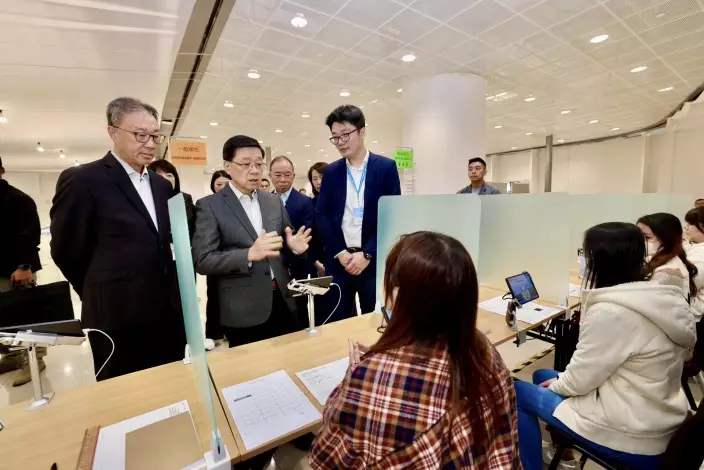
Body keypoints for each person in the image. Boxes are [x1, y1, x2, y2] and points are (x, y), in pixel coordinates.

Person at [309, 231, 521, 469]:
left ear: (397, 294)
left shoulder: (375, 381)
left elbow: (325, 458)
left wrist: (358, 375)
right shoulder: (482, 349)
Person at [515, 222, 696, 470]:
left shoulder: (611, 312)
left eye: (586, 254)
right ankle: (563, 455)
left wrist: (559, 384)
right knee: (541, 375)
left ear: (601, 260)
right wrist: (558, 382)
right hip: (658, 415)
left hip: (632, 435)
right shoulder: (661, 296)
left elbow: (580, 379)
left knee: (517, 392)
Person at [50, 97, 186, 381]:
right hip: (115, 316)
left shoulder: (161, 186)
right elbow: (66, 250)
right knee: (125, 395)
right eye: (140, 135)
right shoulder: (83, 180)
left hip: (166, 313)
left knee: (170, 387)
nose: (150, 144)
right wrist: (97, 290)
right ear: (113, 132)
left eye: (155, 136)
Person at [192, 135, 312, 348]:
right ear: (227, 166)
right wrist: (248, 254)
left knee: (291, 359)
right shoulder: (210, 206)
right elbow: (203, 260)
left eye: (259, 164)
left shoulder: (273, 201)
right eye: (246, 164)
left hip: (283, 300)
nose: (255, 170)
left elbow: (286, 241)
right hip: (243, 308)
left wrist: (294, 248)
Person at [315, 105, 401, 322]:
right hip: (339, 261)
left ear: (362, 132)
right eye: (335, 137)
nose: (340, 142)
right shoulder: (332, 172)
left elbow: (392, 216)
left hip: (372, 261)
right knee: (336, 320)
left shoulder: (386, 168)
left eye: (345, 134)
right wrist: (340, 253)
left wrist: (367, 254)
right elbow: (322, 215)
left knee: (376, 320)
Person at [0, 156, 46, 387]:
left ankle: (35, 359)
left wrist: (24, 266)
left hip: (15, 271)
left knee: (26, 317)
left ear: (1, 170)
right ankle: (11, 356)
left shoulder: (18, 199)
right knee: (3, 318)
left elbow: (30, 235)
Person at [270, 155, 315, 327]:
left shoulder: (305, 202)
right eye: (278, 175)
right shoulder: (264, 201)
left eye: (287, 175)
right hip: (273, 265)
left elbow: (308, 231)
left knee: (300, 311)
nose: (282, 179)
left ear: (294, 176)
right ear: (270, 175)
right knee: (277, 312)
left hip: (298, 264)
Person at [637, 212, 697, 298]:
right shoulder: (653, 257)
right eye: (638, 236)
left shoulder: (668, 273)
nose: (639, 241)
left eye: (647, 237)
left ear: (667, 239)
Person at [204, 170, 232, 346]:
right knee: (214, 296)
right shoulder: (207, 204)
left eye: (226, 184)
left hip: (233, 258)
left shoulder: (236, 205)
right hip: (214, 258)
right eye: (218, 184)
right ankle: (213, 332)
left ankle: (229, 329)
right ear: (213, 186)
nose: (222, 187)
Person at [148, 159, 196, 238]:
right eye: (159, 175)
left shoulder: (185, 200)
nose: (165, 178)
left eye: (169, 175)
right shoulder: (144, 201)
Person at [685, 207, 704, 321]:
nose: (686, 227)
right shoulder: (693, 245)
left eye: (690, 224)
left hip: (695, 311)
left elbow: (690, 283)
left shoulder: (702, 253)